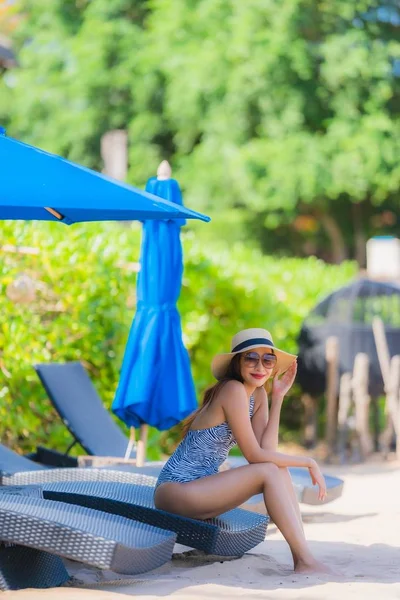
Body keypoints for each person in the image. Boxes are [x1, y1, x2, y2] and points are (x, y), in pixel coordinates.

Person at [154, 328, 331, 574]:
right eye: (251, 358)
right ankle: (305, 561)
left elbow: (266, 450)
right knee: (270, 471)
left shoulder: (257, 395)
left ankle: (303, 558)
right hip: (176, 489)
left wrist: (278, 397)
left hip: (202, 489)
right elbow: (254, 457)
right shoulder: (232, 390)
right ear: (237, 362)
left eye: (268, 360)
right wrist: (309, 462)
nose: (260, 366)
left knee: (277, 470)